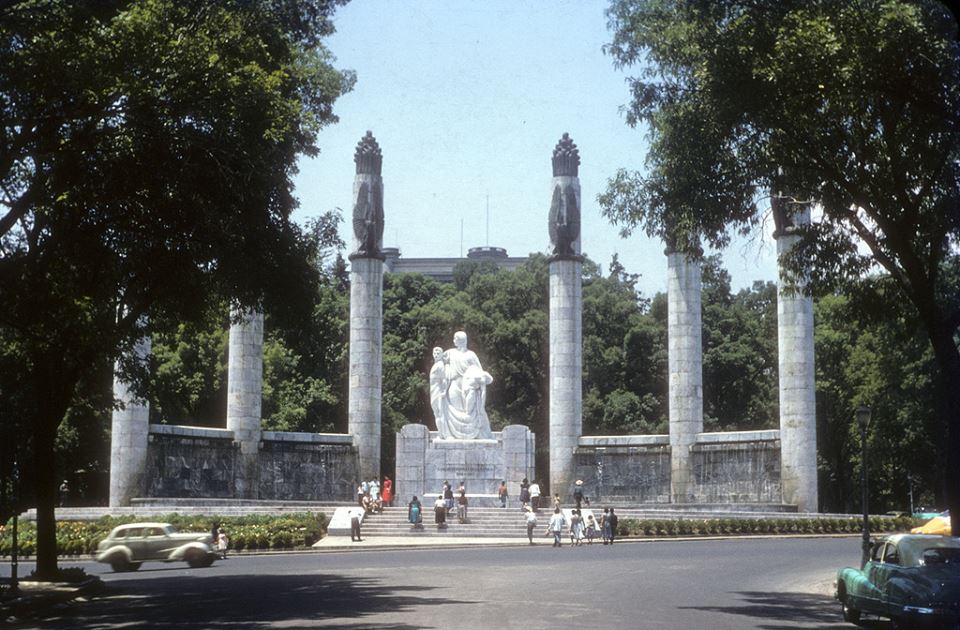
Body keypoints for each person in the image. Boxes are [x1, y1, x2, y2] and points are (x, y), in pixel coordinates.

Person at [433, 331, 495, 439]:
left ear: (461, 340)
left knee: (469, 412)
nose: (453, 341)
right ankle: (449, 434)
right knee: (453, 410)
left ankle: (476, 434)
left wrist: (482, 380)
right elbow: (439, 361)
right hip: (453, 386)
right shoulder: (450, 353)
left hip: (469, 387)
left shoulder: (471, 355)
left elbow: (479, 372)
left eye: (455, 339)